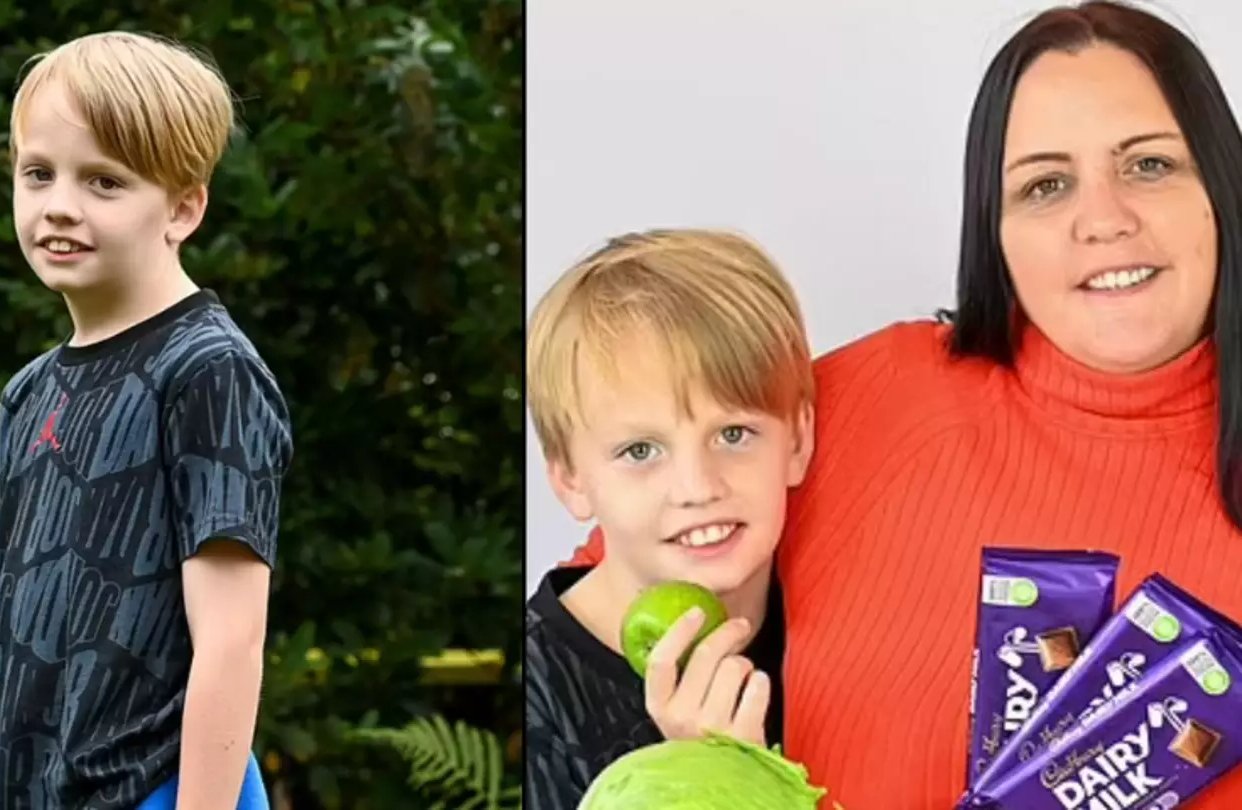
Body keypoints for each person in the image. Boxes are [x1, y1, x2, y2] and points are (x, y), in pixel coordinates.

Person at [560, 2, 1242, 807]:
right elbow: (620, 562)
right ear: (995, 227)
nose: (1103, 220)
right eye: (1045, 184)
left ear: (1220, 182)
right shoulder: (870, 397)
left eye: (1149, 165)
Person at [0, 32, 291, 809]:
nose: (59, 206)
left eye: (104, 182)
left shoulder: (208, 371)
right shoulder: (29, 392)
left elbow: (232, 640)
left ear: (182, 208)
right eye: (38, 174)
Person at [524, 229, 815, 808]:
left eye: (734, 434)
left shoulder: (841, 624)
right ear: (570, 480)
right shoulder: (540, 707)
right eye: (640, 451)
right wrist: (713, 780)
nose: (698, 487)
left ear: (798, 440)